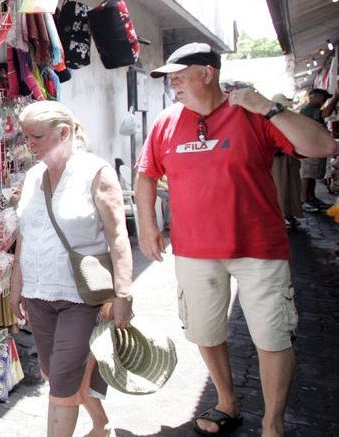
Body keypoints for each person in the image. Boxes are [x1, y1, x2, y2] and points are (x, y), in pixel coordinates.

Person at [136, 42, 336, 437]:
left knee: (273, 336)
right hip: (194, 250)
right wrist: (147, 224)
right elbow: (146, 175)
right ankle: (227, 401)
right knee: (205, 332)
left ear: (207, 73)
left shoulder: (251, 112)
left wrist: (270, 108)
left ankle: (272, 423)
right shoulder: (166, 122)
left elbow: (323, 146)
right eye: (169, 78)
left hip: (258, 248)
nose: (172, 83)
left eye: (179, 75)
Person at [10, 101, 133, 437]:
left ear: (63, 133)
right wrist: (16, 285)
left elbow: (118, 237)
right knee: (55, 373)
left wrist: (123, 295)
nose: (28, 143)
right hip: (38, 294)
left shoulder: (96, 172)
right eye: (25, 136)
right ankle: (101, 422)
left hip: (80, 295)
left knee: (62, 381)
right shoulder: (33, 175)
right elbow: (26, 233)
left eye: (36, 136)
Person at [299, 87, 339, 212]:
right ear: (313, 96)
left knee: (312, 174)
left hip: (313, 146)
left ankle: (311, 198)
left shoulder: (314, 109)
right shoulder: (308, 110)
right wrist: (336, 97)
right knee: (308, 174)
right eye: (323, 98)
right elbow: (326, 114)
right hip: (308, 147)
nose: (324, 101)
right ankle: (305, 200)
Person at [269, 94, 302, 228]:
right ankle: (283, 216)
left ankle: (290, 214)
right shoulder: (269, 121)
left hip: (289, 157)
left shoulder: (285, 120)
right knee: (281, 187)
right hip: (278, 158)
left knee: (292, 186)